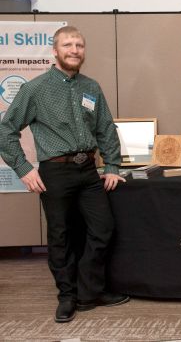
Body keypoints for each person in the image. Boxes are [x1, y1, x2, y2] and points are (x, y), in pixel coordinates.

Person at [0, 26, 129, 323]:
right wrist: (23, 168)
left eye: (79, 45)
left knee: (103, 229)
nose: (75, 50)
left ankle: (89, 291)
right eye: (68, 45)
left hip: (88, 171)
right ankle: (67, 296)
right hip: (55, 173)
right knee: (60, 236)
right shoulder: (35, 89)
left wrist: (111, 166)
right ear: (55, 51)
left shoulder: (91, 87)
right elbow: (6, 131)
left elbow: (106, 128)